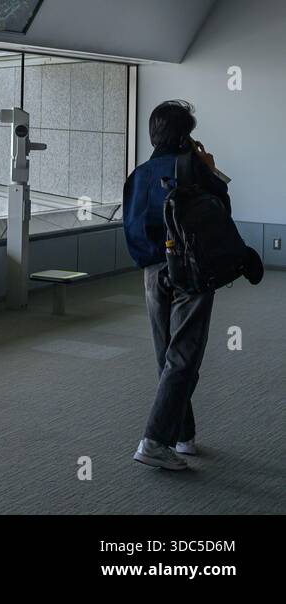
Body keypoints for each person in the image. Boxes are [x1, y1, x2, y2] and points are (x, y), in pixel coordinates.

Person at [123, 100, 228, 471]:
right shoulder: (194, 171)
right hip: (190, 272)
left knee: (167, 354)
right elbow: (220, 214)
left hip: (152, 272)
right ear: (186, 136)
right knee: (184, 356)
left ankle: (182, 434)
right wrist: (210, 169)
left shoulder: (139, 174)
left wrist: (152, 262)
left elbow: (132, 228)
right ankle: (154, 440)